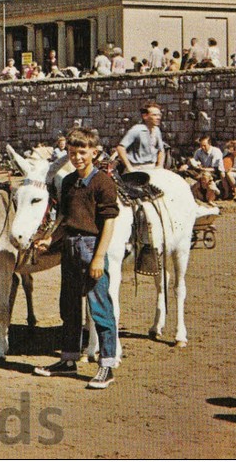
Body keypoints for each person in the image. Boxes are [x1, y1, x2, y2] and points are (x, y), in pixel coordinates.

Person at [33, 127, 119, 389]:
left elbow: (109, 223)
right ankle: (69, 360)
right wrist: (51, 238)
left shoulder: (103, 182)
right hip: (70, 248)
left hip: (91, 248)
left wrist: (98, 258)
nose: (77, 157)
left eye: (82, 152)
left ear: (94, 152)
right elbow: (65, 219)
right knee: (69, 306)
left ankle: (107, 365)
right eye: (72, 152)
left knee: (100, 308)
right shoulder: (68, 182)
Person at [116, 102, 165, 171]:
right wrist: (129, 167)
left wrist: (160, 165)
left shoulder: (156, 130)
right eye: (154, 115)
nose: (158, 118)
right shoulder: (137, 129)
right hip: (138, 168)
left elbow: (161, 150)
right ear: (145, 116)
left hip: (152, 167)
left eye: (159, 115)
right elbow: (120, 148)